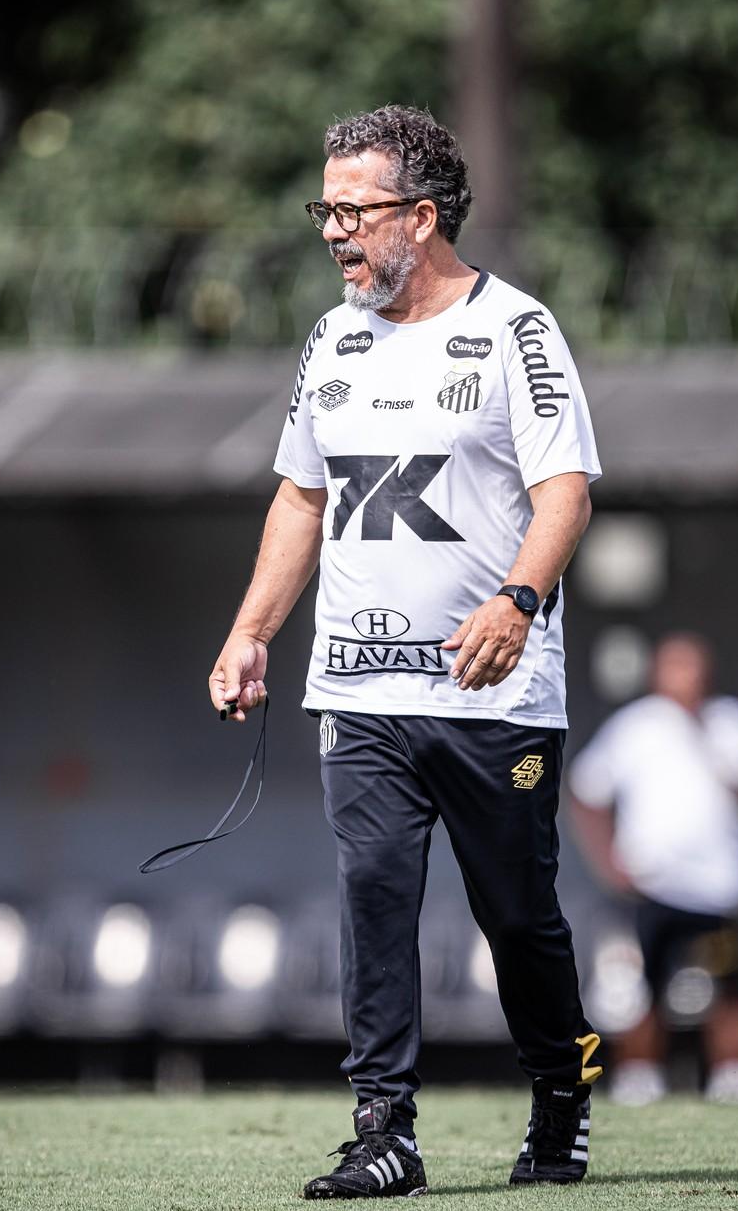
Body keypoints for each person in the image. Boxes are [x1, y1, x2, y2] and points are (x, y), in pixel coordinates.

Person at [208, 105, 603, 1196]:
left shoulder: (517, 328)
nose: (334, 231)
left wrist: (519, 600)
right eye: (324, 210)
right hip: (359, 688)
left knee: (517, 917)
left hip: (496, 694)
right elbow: (302, 496)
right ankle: (385, 1128)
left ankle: (563, 1088)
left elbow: (564, 492)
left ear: (421, 217)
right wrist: (251, 632)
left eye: (355, 211)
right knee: (374, 894)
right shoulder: (333, 336)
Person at [569, 633, 738, 1106]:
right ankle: (641, 1076)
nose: (685, 677)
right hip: (653, 885)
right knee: (642, 986)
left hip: (721, 887)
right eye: (674, 667)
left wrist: (702, 731)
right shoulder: (634, 726)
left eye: (692, 667)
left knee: (730, 986)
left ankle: (733, 1076)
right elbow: (586, 790)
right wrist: (609, 861)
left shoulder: (732, 721)